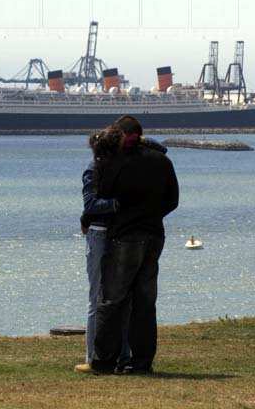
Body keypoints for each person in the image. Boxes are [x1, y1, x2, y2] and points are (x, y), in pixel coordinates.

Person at [91, 115, 179, 376]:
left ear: (119, 135)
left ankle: (105, 360)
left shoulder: (115, 162)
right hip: (154, 235)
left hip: (125, 236)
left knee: (112, 299)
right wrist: (152, 214)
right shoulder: (162, 161)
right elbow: (173, 200)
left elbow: (103, 194)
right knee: (145, 302)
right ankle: (142, 361)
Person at [74, 126, 130, 374]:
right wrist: (119, 204)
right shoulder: (94, 169)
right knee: (97, 297)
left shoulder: (121, 167)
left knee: (119, 297)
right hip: (99, 232)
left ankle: (119, 356)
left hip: (114, 233)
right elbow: (91, 203)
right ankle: (93, 356)